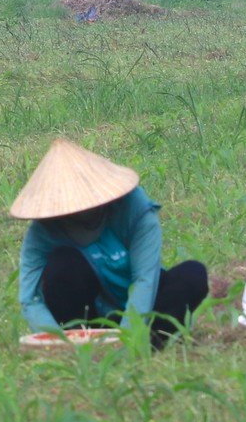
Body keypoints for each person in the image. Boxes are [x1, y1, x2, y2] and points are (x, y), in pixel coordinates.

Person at [12, 138, 206, 349]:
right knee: (63, 265)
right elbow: (29, 298)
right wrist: (58, 342)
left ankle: (150, 343)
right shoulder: (44, 230)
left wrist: (125, 339)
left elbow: (144, 279)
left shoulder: (135, 209)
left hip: (144, 307)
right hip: (91, 319)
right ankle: (82, 347)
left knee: (193, 275)